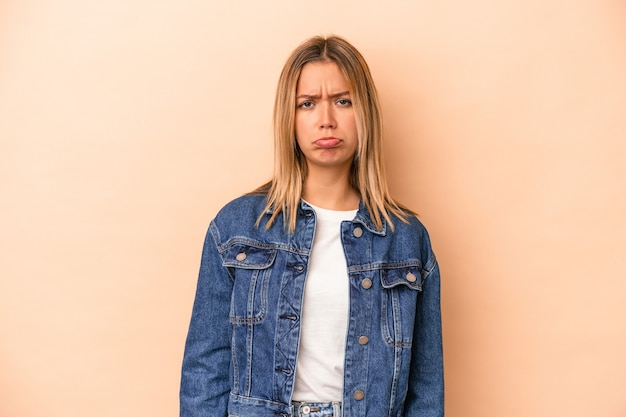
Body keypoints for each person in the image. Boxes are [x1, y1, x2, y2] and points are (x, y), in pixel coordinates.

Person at [180, 35, 444, 417]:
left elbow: (426, 386)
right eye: (307, 104)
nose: (326, 120)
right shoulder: (238, 227)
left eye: (343, 101)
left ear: (364, 112)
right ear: (289, 118)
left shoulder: (405, 239)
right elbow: (206, 368)